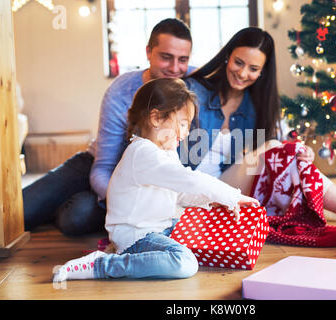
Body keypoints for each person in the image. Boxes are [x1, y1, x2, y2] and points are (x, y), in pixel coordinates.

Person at [182, 27, 336, 238]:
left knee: (282, 151)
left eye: (253, 68)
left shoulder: (254, 105)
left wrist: (301, 154)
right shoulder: (193, 91)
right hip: (190, 187)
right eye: (239, 62)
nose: (243, 73)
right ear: (227, 56)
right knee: (276, 149)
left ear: (262, 71)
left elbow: (274, 155)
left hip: (227, 185)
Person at [53, 78, 259, 281]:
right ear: (156, 118)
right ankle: (103, 265)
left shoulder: (166, 152)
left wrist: (209, 201)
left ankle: (128, 256)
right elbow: (190, 180)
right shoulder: (143, 152)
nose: (186, 133)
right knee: (185, 262)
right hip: (137, 236)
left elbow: (180, 193)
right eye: (183, 124)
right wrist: (232, 195)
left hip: (162, 229)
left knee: (204, 239)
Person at [22, 18, 195, 235]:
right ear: (149, 52)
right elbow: (102, 168)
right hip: (95, 164)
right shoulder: (121, 91)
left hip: (134, 179)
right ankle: (58, 199)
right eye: (166, 57)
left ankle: (61, 206)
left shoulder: (192, 81)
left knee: (76, 217)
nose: (175, 68)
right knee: (22, 210)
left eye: (183, 60)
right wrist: (125, 198)